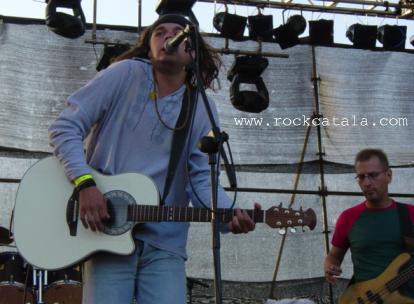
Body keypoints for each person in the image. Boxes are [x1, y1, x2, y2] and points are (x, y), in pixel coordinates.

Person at [49, 14, 260, 304]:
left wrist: (227, 216)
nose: (168, 37)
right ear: (149, 48)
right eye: (159, 33)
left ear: (193, 52)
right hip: (106, 233)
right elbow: (64, 128)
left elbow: (200, 176)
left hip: (165, 244)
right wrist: (85, 184)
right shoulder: (124, 74)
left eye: (177, 33)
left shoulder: (201, 105)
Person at [324, 148, 414, 298]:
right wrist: (330, 267)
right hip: (366, 298)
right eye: (361, 177)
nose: (366, 183)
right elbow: (334, 256)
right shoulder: (348, 217)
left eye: (373, 175)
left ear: (389, 175)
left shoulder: (410, 214)